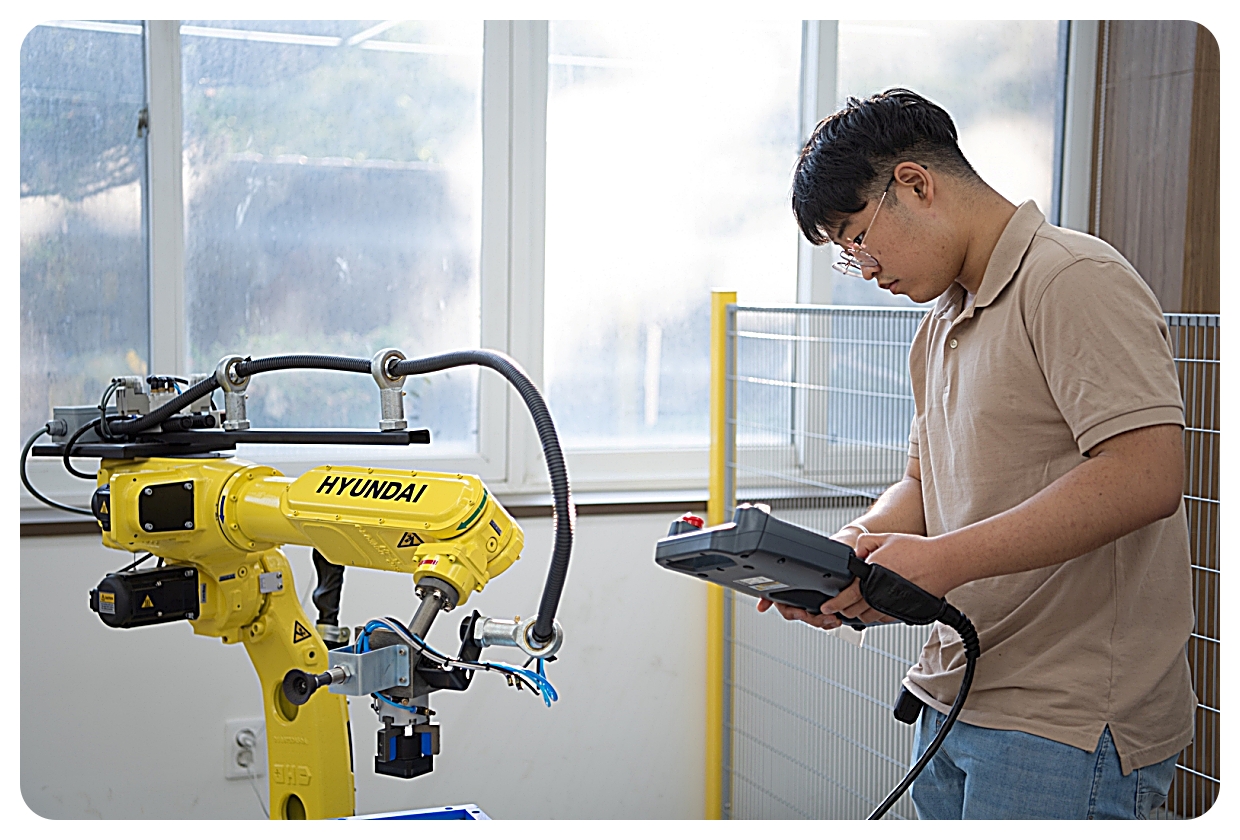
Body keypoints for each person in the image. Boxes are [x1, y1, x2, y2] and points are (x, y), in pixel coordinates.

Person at [760, 88, 1195, 820]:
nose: (863, 267)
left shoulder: (1071, 279)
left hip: (1065, 719)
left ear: (914, 184)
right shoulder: (939, 324)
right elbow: (922, 485)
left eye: (857, 238)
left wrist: (944, 561)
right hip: (954, 692)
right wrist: (851, 552)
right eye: (844, 254)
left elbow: (1146, 474)